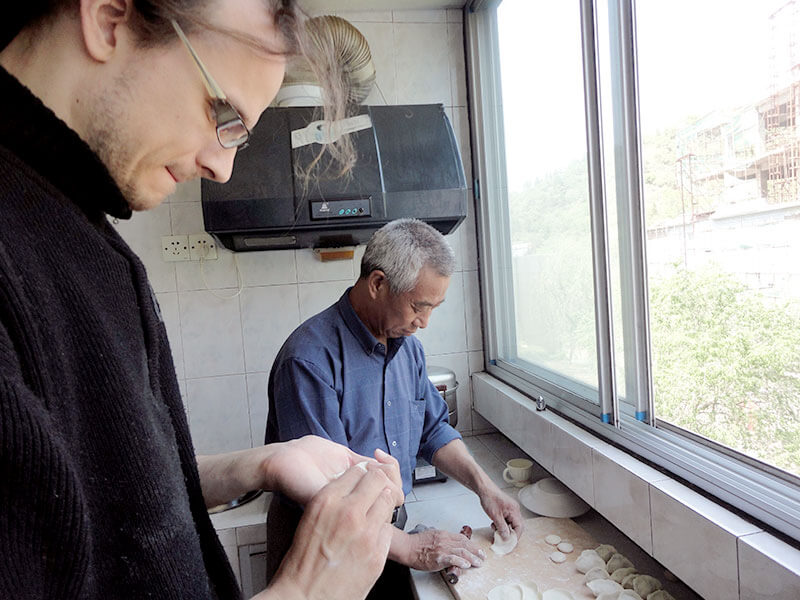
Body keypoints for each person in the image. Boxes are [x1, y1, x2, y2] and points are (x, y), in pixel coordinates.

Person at [0, 1, 404, 599]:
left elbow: (106, 504)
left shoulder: (81, 234)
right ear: (109, 19)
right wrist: (307, 590)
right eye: (224, 115)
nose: (223, 166)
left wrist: (260, 465)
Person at [266, 218, 524, 597]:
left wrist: (485, 488)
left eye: (434, 308)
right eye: (419, 307)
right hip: (320, 556)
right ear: (377, 284)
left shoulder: (409, 351)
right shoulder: (308, 361)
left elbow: (433, 431)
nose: (424, 323)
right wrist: (413, 548)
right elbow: (329, 495)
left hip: (387, 538)